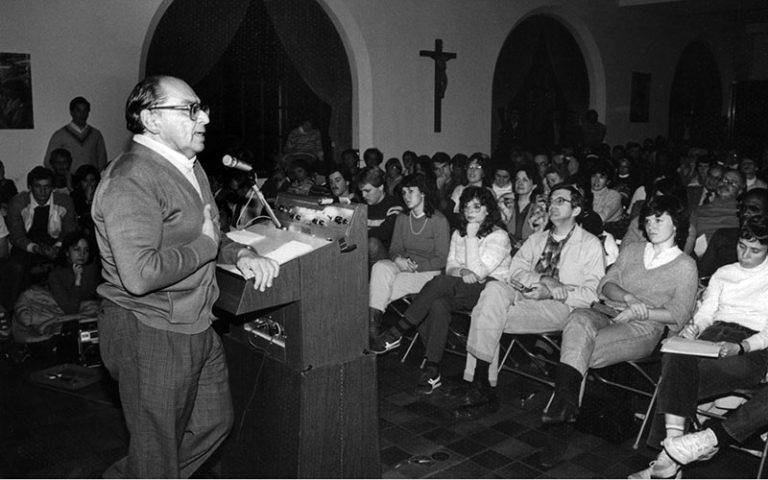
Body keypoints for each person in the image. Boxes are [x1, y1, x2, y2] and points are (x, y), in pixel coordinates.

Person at [91, 75, 280, 478]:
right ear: (151, 119)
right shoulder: (130, 179)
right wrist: (208, 248)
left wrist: (240, 252)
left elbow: (209, 231)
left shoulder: (187, 167)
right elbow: (140, 275)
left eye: (202, 107)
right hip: (148, 328)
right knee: (156, 450)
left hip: (193, 321)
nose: (205, 118)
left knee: (214, 423)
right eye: (190, 109)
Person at [632, 215, 768, 479]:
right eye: (742, 246)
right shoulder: (724, 273)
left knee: (677, 382)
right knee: (676, 350)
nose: (745, 255)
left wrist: (740, 347)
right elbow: (707, 313)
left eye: (755, 251)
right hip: (713, 335)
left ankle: (667, 459)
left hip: (750, 345)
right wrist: (694, 328)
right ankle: (675, 447)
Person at [454, 184, 605, 420]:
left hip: (561, 306)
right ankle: (483, 383)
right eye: (551, 200)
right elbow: (515, 271)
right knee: (493, 289)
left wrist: (551, 292)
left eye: (560, 201)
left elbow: (592, 294)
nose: (551, 206)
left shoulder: (590, 244)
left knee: (486, 313)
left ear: (576, 210)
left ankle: (481, 383)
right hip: (524, 293)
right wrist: (542, 279)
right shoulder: (537, 239)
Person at [542, 196, 697, 425]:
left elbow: (679, 314)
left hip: (644, 326)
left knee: (578, 349)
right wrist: (628, 298)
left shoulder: (685, 265)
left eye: (658, 220)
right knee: (578, 317)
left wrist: (638, 311)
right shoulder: (632, 250)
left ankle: (562, 415)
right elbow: (605, 284)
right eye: (647, 220)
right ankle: (566, 408)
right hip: (607, 312)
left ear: (675, 224)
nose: (651, 226)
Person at [371, 186, 511, 396]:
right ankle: (432, 370)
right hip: (459, 286)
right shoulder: (458, 233)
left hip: (490, 292)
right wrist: (462, 270)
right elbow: (451, 266)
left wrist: (472, 238)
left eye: (477, 207)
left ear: (488, 210)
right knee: (437, 302)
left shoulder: (499, 236)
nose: (470, 211)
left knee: (438, 283)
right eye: (466, 207)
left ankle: (397, 331)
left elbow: (481, 272)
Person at [368, 174, 450, 340]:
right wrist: (398, 259)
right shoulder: (403, 218)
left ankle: (372, 328)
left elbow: (442, 259)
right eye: (404, 192)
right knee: (380, 267)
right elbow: (394, 249)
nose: (406, 196)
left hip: (429, 273)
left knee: (379, 287)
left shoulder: (439, 220)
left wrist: (415, 266)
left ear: (423, 193)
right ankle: (372, 328)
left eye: (411, 191)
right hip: (403, 266)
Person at [3, 166, 78, 311]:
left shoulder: (64, 201)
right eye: (38, 187)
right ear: (30, 187)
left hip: (57, 244)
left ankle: (69, 308)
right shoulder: (18, 203)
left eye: (47, 187)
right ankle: (9, 312)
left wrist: (57, 247)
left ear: (53, 187)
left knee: (77, 261)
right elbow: (16, 236)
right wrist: (36, 248)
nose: (43, 192)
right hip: (25, 246)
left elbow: (69, 231)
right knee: (14, 268)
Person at [11, 231, 102, 344]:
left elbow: (93, 299)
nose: (82, 254)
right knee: (28, 298)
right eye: (77, 249)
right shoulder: (56, 275)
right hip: (61, 308)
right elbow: (71, 309)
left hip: (86, 309)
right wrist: (77, 281)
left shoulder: (92, 269)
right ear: (67, 252)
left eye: (86, 250)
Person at [697, 188, 768, 278]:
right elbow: (702, 275)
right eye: (743, 208)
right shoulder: (723, 236)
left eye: (753, 209)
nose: (745, 213)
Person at [685, 169, 745, 257]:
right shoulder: (699, 210)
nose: (726, 184)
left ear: (740, 191)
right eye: (724, 180)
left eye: (733, 183)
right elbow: (689, 238)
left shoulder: (742, 214)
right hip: (700, 259)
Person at [44, 96, 108, 171]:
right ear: (71, 112)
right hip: (68, 181)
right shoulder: (60, 135)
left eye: (85, 111)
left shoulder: (96, 135)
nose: (82, 114)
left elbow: (102, 161)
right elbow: (48, 161)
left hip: (90, 180)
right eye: (78, 110)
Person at [357, 166, 404, 265]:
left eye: (367, 191)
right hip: (364, 250)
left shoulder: (395, 205)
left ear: (381, 187)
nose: (363, 195)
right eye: (361, 191)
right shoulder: (362, 205)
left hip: (390, 256)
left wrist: (358, 235)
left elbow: (385, 232)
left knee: (372, 244)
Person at [498, 163, 544, 250]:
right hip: (504, 248)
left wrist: (524, 243)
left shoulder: (540, 207)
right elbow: (497, 226)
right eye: (517, 179)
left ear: (534, 185)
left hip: (530, 250)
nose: (520, 183)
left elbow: (540, 234)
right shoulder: (504, 202)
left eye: (525, 180)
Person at [590, 159, 623, 223]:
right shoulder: (583, 192)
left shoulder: (614, 195)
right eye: (594, 176)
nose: (596, 180)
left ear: (608, 181)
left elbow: (602, 217)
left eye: (601, 177)